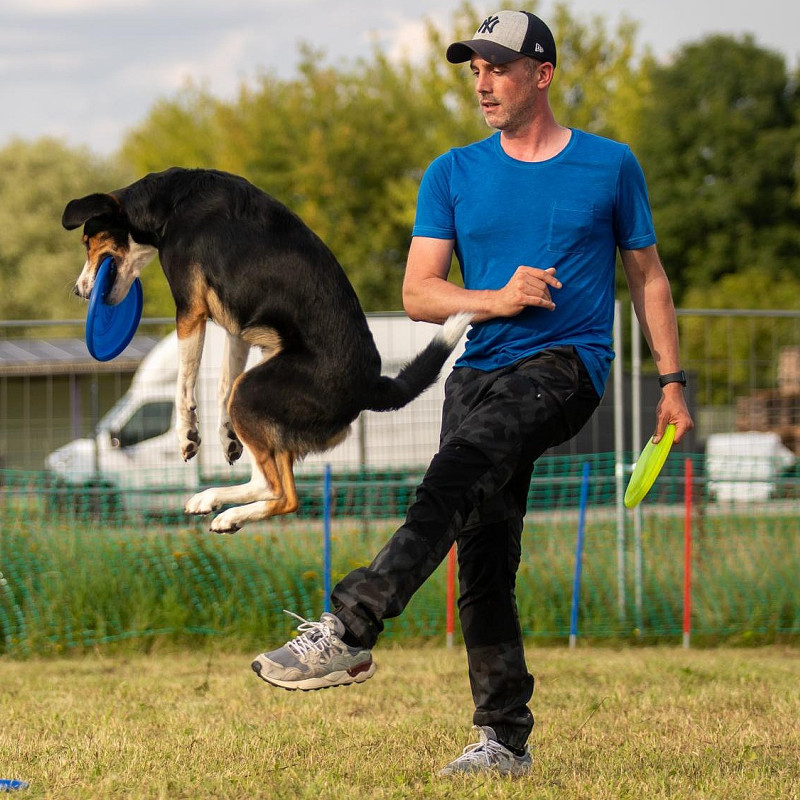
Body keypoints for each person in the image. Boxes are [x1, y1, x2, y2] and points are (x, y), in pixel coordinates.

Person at [251, 9, 694, 776]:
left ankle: (351, 626)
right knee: (483, 556)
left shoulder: (610, 165)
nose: (483, 84)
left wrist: (673, 383)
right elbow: (419, 293)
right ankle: (504, 742)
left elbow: (648, 277)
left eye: (499, 68)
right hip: (476, 374)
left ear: (542, 74)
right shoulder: (452, 172)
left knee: (452, 476)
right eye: (476, 70)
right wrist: (496, 297)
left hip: (566, 365)